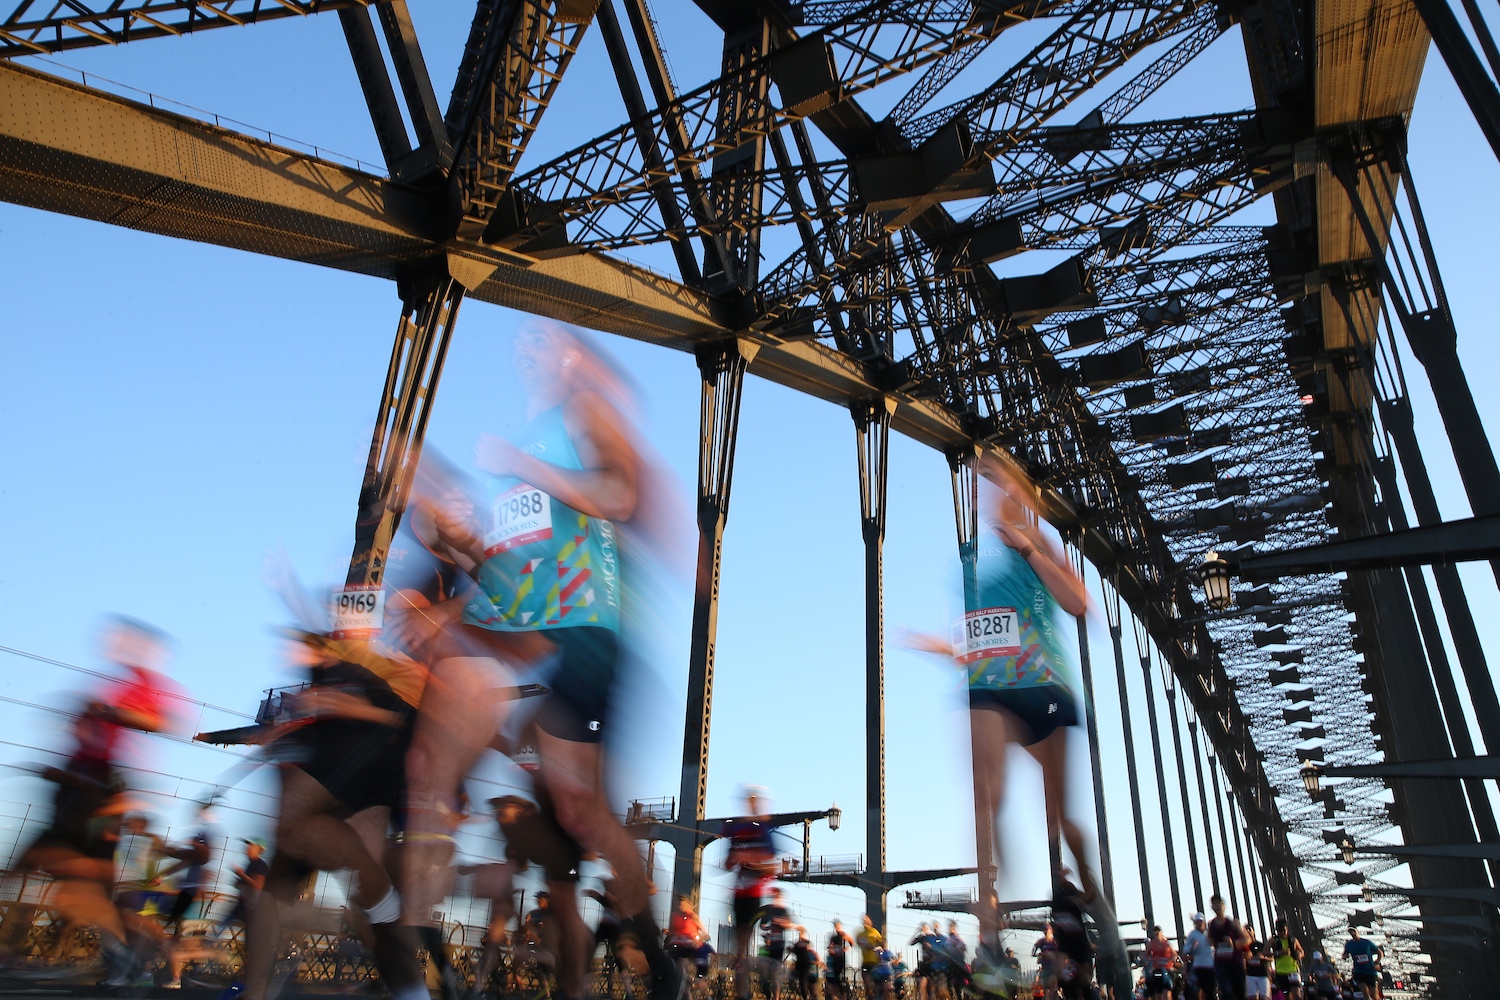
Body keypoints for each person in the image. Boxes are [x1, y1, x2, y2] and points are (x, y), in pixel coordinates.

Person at [394, 321, 682, 1000]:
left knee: (583, 815)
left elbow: (617, 495)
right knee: (427, 769)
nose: (526, 345)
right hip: (527, 642)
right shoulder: (517, 452)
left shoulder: (580, 415)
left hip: (582, 634)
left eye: (544, 338)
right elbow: (513, 577)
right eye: (518, 338)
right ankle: (420, 955)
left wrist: (522, 468)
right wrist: (458, 549)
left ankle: (657, 956)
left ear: (574, 356)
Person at [900, 459, 1092, 956]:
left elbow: (1076, 602)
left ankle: (1077, 884)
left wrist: (1026, 546)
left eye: (998, 481)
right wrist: (936, 647)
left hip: (1041, 685)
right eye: (983, 482)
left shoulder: (1038, 540)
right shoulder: (967, 560)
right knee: (986, 792)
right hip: (989, 687)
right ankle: (990, 917)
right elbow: (967, 641)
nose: (988, 491)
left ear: (1023, 493)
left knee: (1061, 812)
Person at [724, 788, 779, 1000]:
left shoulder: (763, 831)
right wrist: (735, 858)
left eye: (755, 801)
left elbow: (772, 867)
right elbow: (727, 863)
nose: (752, 805)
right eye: (749, 801)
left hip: (753, 893)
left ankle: (750, 985)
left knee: (744, 941)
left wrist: (750, 861)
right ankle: (741, 992)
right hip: (738, 893)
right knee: (739, 949)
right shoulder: (737, 831)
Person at [214, 838, 268, 938]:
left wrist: (241, 874)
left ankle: (210, 943)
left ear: (259, 850)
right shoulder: (250, 864)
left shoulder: (260, 865)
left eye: (251, 846)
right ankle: (209, 943)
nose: (247, 847)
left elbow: (258, 886)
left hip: (251, 907)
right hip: (242, 904)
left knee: (250, 935)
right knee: (222, 925)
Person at [1207, 894, 1247, 1000]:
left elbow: (1246, 940)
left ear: (1224, 906)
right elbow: (1209, 941)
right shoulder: (1211, 924)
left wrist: (1233, 943)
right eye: (1214, 904)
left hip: (1235, 962)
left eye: (1219, 903)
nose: (1217, 906)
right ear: (1212, 907)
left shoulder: (1233, 923)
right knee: (1226, 993)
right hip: (1221, 963)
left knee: (1240, 993)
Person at [1340, 928, 1380, 1000]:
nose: (1352, 933)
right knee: (1365, 993)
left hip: (1370, 971)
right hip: (1359, 971)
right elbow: (1345, 953)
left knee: (1374, 995)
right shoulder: (1349, 944)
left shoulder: (1367, 943)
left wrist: (1377, 962)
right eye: (1350, 932)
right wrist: (1344, 956)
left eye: (1354, 931)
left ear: (1357, 932)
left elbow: (1379, 952)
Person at [1182, 912, 1215, 1000]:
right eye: (1197, 921)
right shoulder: (1192, 935)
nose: (1199, 923)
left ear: (1204, 922)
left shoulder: (1209, 933)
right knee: (1202, 989)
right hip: (1199, 966)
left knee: (1211, 989)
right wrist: (1192, 947)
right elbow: (1185, 952)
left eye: (1201, 921)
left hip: (1211, 965)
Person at [1269, 921, 1304, 1000]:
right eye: (1279, 931)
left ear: (1287, 929)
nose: (1282, 933)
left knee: (1297, 995)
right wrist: (1278, 953)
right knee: (1286, 996)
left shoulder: (1293, 940)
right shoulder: (1273, 940)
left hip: (1293, 970)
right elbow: (1265, 951)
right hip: (1281, 972)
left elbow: (1302, 951)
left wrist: (1299, 955)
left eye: (1283, 930)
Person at [856, 914, 885, 999]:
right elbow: (859, 942)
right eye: (863, 920)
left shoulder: (874, 932)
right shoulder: (860, 934)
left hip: (874, 962)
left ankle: (877, 995)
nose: (864, 921)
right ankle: (871, 995)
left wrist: (874, 946)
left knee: (875, 984)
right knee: (867, 985)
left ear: (870, 922)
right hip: (865, 962)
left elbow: (882, 943)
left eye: (866, 920)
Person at [1143, 926, 1176, 1000]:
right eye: (1155, 931)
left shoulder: (1167, 943)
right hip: (1157, 969)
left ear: (1161, 932)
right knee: (1159, 992)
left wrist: (1171, 959)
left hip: (1167, 968)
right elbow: (1147, 954)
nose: (1156, 932)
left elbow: (1174, 955)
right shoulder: (1151, 944)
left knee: (1167, 991)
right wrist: (1151, 960)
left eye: (1158, 931)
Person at [1242, 925, 1269, 1000]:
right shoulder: (1244, 946)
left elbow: (1271, 957)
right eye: (1246, 930)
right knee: (1253, 997)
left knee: (1263, 997)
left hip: (1262, 975)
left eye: (1249, 929)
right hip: (1250, 975)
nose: (1248, 931)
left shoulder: (1261, 945)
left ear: (1253, 931)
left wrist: (1263, 957)